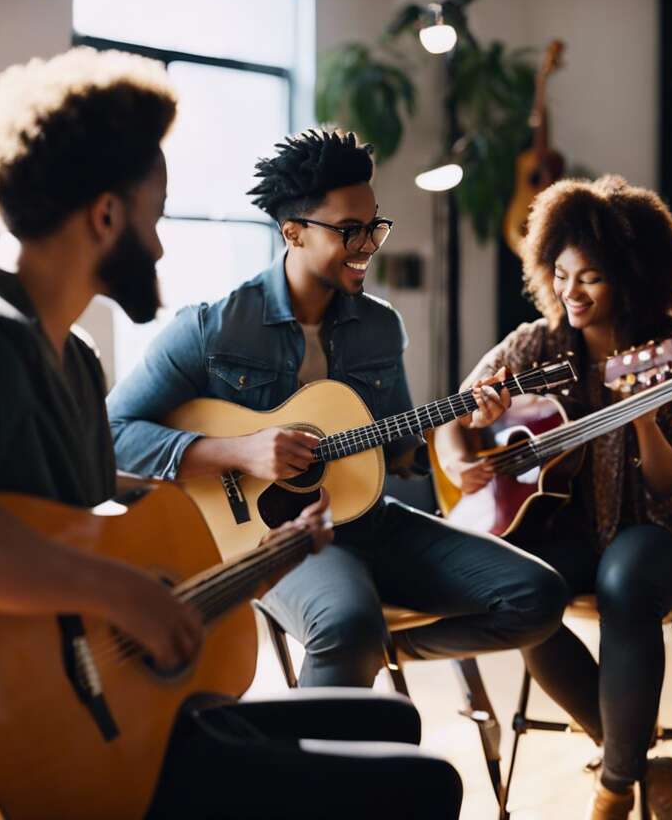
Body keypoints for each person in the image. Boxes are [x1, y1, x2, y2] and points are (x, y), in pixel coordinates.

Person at [0, 48, 462, 819]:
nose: (162, 246)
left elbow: (95, 529)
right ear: (106, 215)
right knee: (425, 786)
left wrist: (258, 561)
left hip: (116, 701)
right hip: (51, 739)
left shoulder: (72, 355)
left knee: (392, 723)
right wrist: (118, 592)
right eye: (156, 217)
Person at [107, 127, 568, 688]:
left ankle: (382, 650)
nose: (369, 244)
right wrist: (241, 452)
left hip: (368, 520)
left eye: (374, 226)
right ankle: (324, 750)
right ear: (294, 233)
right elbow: (111, 433)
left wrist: (465, 422)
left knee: (538, 596)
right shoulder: (211, 329)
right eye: (350, 230)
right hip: (269, 538)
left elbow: (400, 455)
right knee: (346, 624)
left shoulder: (379, 326)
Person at [434, 176, 672, 820]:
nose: (570, 292)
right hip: (567, 531)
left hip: (656, 538)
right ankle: (645, 766)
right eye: (560, 275)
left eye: (589, 277)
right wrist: (460, 454)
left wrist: (642, 418)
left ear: (632, 275)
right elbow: (455, 412)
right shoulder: (539, 343)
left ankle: (615, 790)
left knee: (625, 584)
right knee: (520, 589)